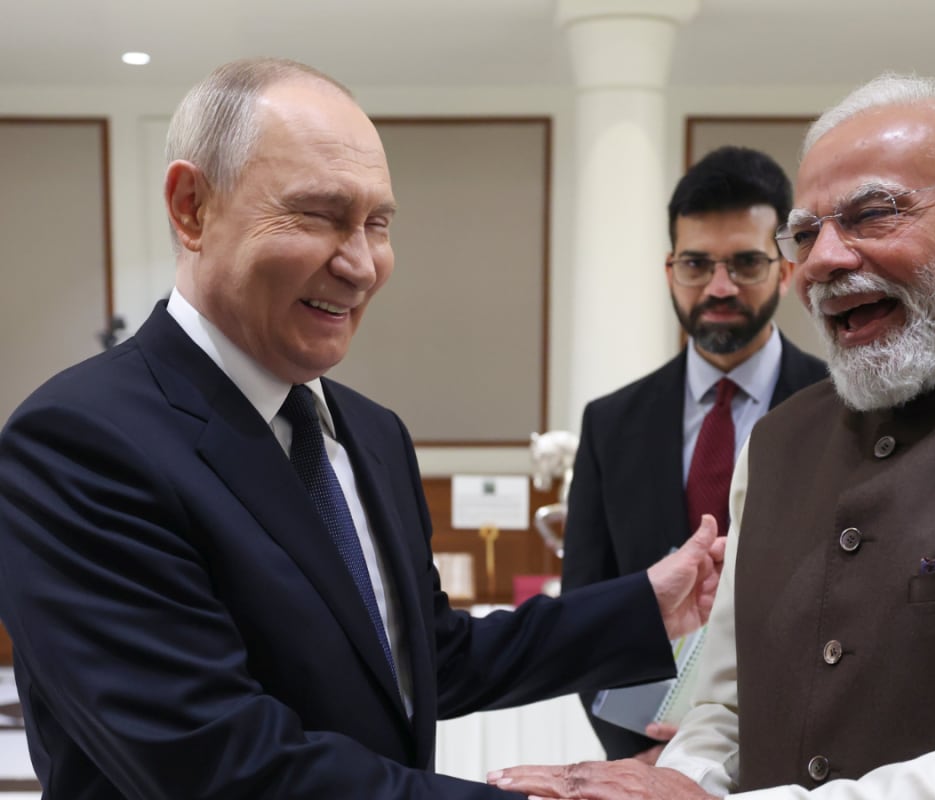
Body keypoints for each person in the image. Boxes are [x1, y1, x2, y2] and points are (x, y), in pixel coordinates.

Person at [0, 57, 725, 800]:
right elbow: (218, 762)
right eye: (318, 215)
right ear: (192, 208)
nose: (361, 265)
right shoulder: (80, 445)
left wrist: (647, 605)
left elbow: (425, 658)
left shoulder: (372, 436)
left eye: (377, 224)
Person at [488, 73, 935, 799]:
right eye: (806, 234)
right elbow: (726, 713)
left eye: (873, 214)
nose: (823, 260)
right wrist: (675, 781)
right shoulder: (776, 445)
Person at [561, 146, 826, 762]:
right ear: (670, 271)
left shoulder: (844, 408)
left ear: (786, 270)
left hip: (801, 757)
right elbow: (585, 608)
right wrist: (640, 756)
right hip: (646, 756)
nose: (719, 287)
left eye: (746, 263)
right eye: (696, 264)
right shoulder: (609, 424)